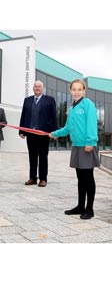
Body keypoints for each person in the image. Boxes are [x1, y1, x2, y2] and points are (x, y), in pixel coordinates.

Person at [50, 79, 100, 220]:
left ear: (84, 90)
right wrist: (55, 133)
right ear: (70, 91)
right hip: (76, 147)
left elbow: (91, 123)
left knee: (88, 178)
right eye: (74, 89)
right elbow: (68, 128)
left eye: (79, 89)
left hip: (87, 146)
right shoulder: (71, 109)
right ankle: (80, 206)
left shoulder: (88, 104)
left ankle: (89, 209)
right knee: (80, 178)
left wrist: (90, 141)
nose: (76, 92)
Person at [19, 80, 57, 187]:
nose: (37, 88)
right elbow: (23, 116)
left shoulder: (50, 100)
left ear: (42, 88)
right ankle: (32, 178)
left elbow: (54, 117)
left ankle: (43, 179)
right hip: (30, 134)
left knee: (43, 157)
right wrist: (21, 131)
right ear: (33, 88)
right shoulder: (27, 100)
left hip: (43, 134)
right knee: (32, 156)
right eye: (35, 86)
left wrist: (55, 132)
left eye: (39, 86)